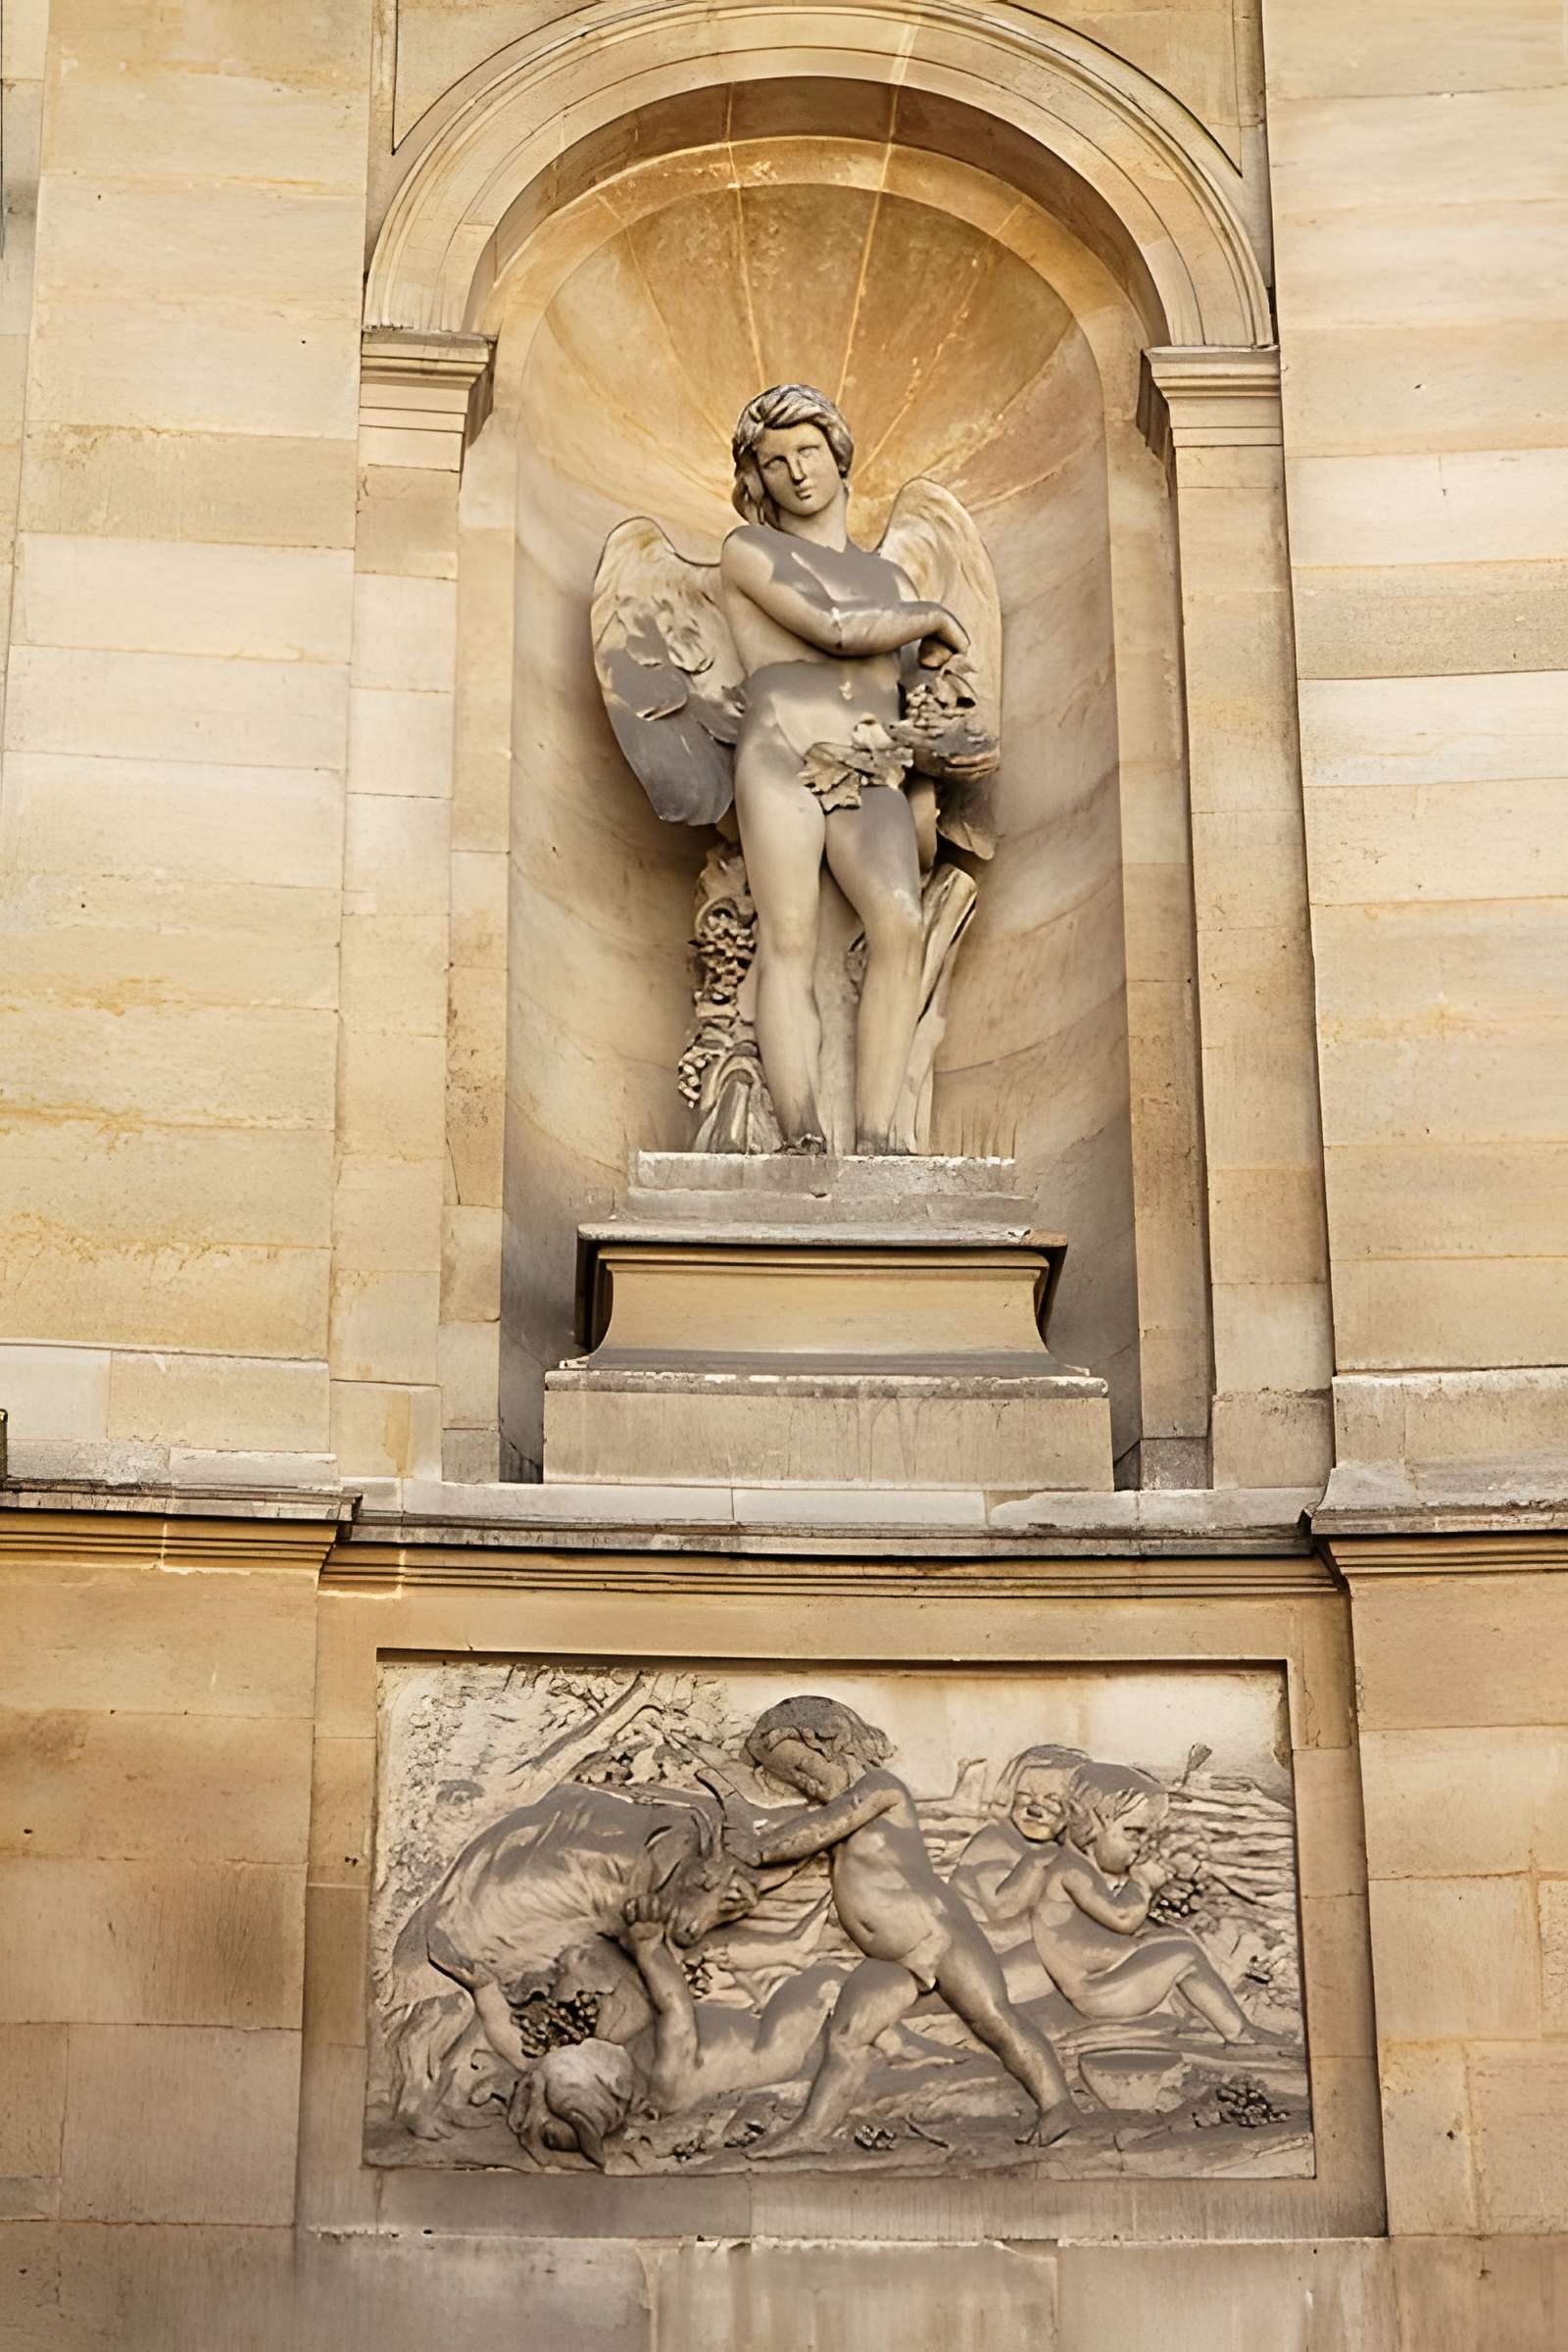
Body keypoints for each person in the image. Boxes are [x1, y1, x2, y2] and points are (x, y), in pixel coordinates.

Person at [719, 384, 991, 1152]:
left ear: (838, 457)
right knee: (788, 936)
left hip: (869, 764)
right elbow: (834, 629)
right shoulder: (749, 551)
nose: (797, 473)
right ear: (758, 477)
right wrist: (935, 617)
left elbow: (908, 700)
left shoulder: (891, 583)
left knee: (900, 924)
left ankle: (877, 1136)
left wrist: (948, 739)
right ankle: (801, 1131)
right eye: (776, 462)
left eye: (808, 452)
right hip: (781, 753)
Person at [732, 1696, 1078, 2156]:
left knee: (993, 2018)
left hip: (941, 1938)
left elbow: (817, 1831)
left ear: (831, 1743)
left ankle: (1056, 2103)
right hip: (891, 1959)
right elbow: (795, 1855)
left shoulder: (881, 1790)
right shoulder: (838, 1818)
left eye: (803, 1769)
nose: (805, 1786)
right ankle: (811, 2131)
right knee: (846, 2036)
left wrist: (756, 1849)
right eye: (792, 1780)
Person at [992, 1761, 1269, 2042]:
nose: (1140, 1845)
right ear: (1091, 1824)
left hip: (1099, 1978)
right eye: (1133, 1832)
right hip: (1097, 1993)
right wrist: (1143, 1884)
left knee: (1176, 1938)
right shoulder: (1073, 1872)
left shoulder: (1066, 1865)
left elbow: (1089, 1929)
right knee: (1184, 1955)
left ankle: (1208, 2016)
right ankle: (1239, 2033)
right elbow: (1122, 1919)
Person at [949, 1744, 1088, 2000]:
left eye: (1053, 1801)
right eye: (1024, 1796)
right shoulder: (992, 1842)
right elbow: (1000, 1910)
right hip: (977, 1943)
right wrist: (1033, 1864)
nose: (1035, 1808)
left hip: (1011, 1946)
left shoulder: (1057, 1850)